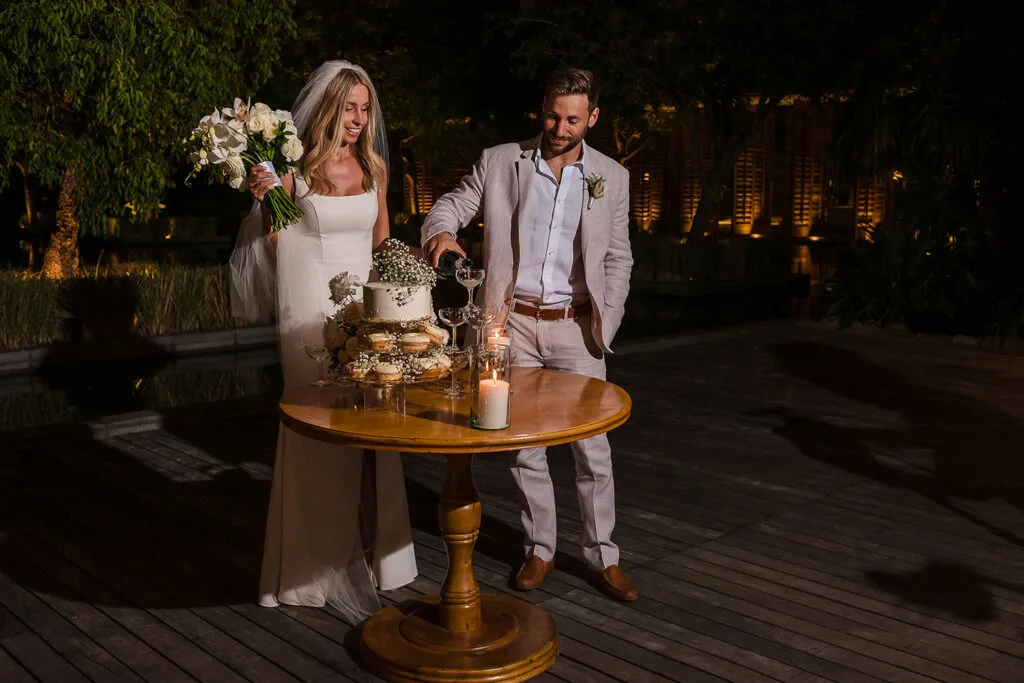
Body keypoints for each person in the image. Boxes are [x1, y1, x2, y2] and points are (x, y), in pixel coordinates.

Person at [421, 68, 637, 601]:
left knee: (593, 448)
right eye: (551, 114)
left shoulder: (612, 175)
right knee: (524, 446)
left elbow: (617, 256)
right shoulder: (502, 161)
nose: (558, 128)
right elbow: (454, 202)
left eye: (571, 119)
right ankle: (540, 549)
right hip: (510, 324)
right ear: (541, 108)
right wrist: (443, 233)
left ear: (592, 118)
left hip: (576, 328)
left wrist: (609, 315)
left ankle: (602, 554)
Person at [229, 60, 417, 622]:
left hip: (365, 313)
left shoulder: (376, 168)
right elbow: (281, 245)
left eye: (366, 109)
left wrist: (401, 306)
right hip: (308, 312)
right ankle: (312, 569)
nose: (358, 119)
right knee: (317, 433)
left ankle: (383, 559)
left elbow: (382, 244)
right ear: (327, 107)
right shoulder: (297, 172)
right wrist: (267, 200)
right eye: (349, 107)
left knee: (376, 429)